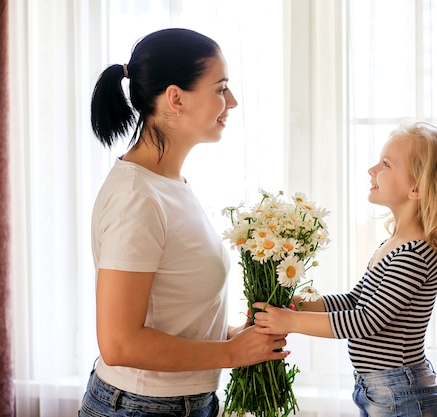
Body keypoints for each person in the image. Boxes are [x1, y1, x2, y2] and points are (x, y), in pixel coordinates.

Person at [78, 28, 289, 417]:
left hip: (183, 402)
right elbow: (119, 343)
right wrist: (228, 353)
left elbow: (169, 316)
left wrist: (234, 339)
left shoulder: (168, 184)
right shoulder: (137, 199)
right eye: (221, 88)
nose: (233, 101)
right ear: (175, 98)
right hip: (142, 407)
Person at [253, 121, 437, 417]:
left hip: (398, 390)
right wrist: (301, 304)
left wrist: (291, 322)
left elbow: (366, 320)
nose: (372, 170)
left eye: (385, 164)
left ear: (416, 187)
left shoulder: (416, 252)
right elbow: (356, 301)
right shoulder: (394, 243)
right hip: (382, 388)